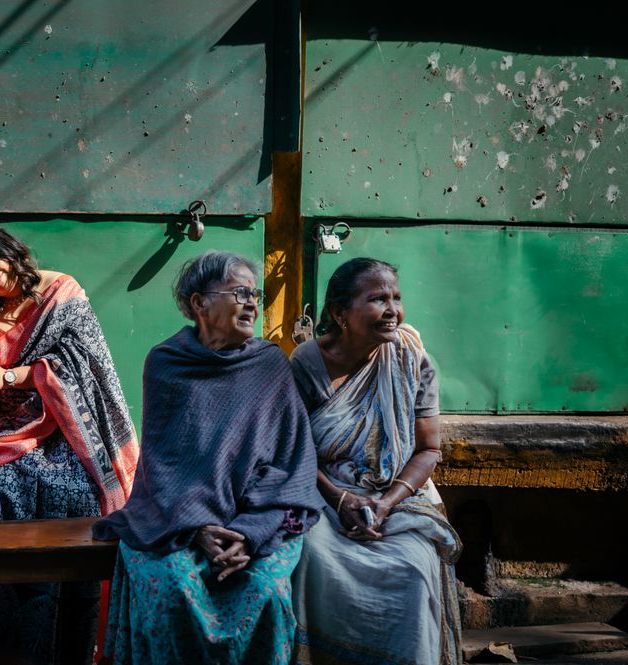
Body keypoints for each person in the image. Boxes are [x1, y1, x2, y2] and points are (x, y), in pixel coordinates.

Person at [90, 251, 325, 665]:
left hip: (257, 520)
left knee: (264, 592)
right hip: (179, 519)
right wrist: (197, 528)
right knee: (170, 587)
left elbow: (291, 464)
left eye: (255, 293)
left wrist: (250, 532)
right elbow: (163, 466)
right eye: (240, 292)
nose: (253, 302)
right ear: (199, 303)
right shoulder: (166, 363)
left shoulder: (269, 364)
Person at [0, 221, 139, 665]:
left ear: (7, 248)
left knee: (80, 493)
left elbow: (84, 364)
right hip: (8, 427)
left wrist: (9, 375)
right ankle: (13, 645)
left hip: (69, 429)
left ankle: (74, 644)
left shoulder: (61, 291)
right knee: (7, 487)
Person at [289, 257, 463, 665]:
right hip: (321, 492)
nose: (393, 310)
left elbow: (428, 450)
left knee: (414, 569)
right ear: (339, 313)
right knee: (311, 556)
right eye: (377, 299)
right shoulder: (305, 364)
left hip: (397, 496)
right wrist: (340, 500)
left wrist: (385, 503)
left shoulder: (412, 361)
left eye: (396, 298)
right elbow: (292, 450)